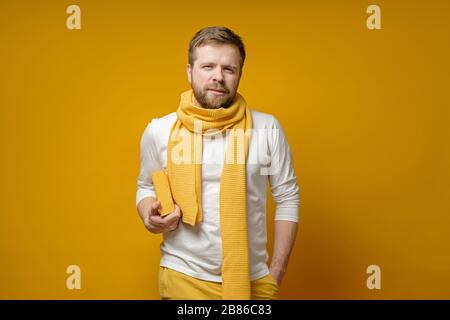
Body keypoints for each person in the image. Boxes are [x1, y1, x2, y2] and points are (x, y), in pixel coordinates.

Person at [136, 26, 300, 300]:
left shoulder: (267, 128)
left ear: (239, 74)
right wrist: (147, 214)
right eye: (208, 66)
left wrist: (277, 271)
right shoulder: (158, 130)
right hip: (183, 276)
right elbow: (145, 186)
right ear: (189, 71)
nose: (217, 77)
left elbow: (288, 197)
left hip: (253, 280)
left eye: (228, 69)